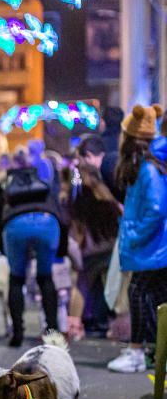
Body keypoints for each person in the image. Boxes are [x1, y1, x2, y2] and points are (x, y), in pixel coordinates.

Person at [106, 105, 167, 373]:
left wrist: (134, 234)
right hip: (151, 246)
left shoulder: (147, 170)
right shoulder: (142, 167)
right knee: (150, 296)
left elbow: (156, 209)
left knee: (139, 292)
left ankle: (137, 351)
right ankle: (151, 350)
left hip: (151, 247)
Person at [0, 149, 68, 347]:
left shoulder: (4, 185)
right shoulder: (43, 183)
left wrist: (1, 247)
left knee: (16, 279)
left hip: (15, 226)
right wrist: (61, 249)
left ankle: (17, 334)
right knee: (45, 277)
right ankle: (52, 332)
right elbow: (61, 214)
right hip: (47, 223)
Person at [68, 135, 120, 337]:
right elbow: (118, 212)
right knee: (110, 284)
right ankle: (111, 323)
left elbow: (74, 218)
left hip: (89, 247)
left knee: (81, 285)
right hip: (108, 245)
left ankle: (74, 325)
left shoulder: (78, 187)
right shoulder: (103, 189)